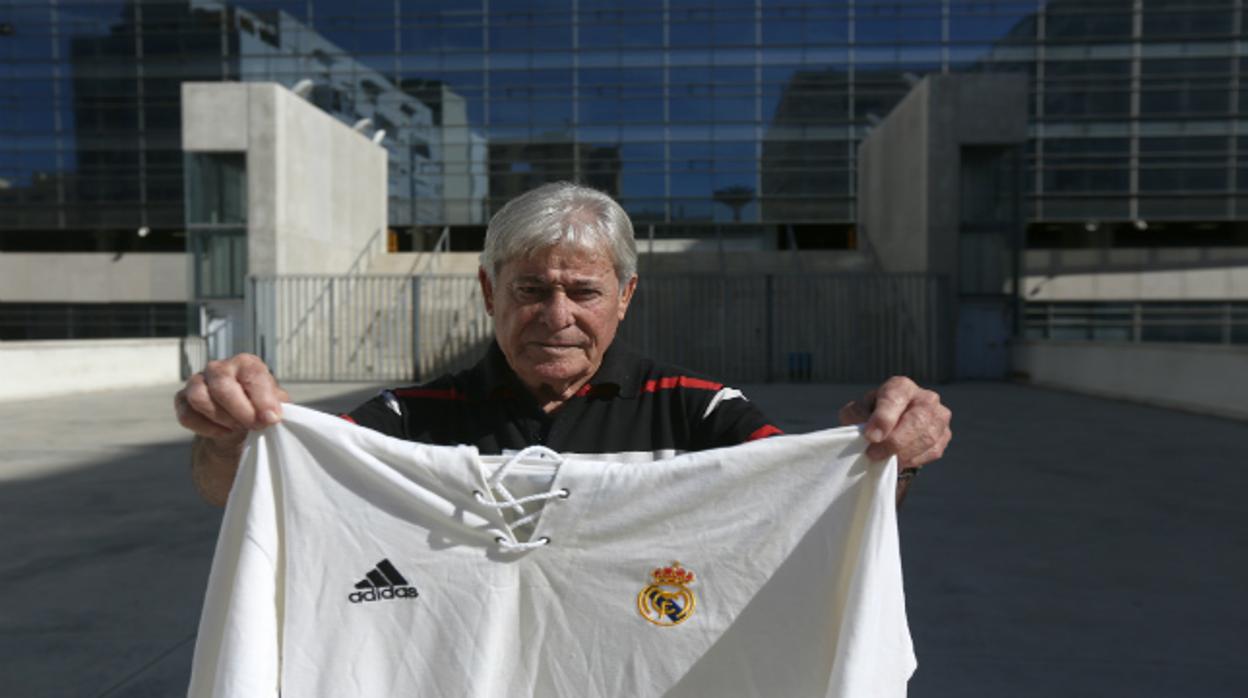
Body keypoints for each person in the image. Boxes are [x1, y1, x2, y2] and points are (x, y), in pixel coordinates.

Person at [175, 182, 952, 507]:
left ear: (624, 299)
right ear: (488, 295)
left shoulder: (701, 412)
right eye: (529, 290)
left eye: (583, 292)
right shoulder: (404, 418)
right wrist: (232, 439)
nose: (556, 314)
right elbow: (254, 490)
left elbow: (818, 495)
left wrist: (885, 451)